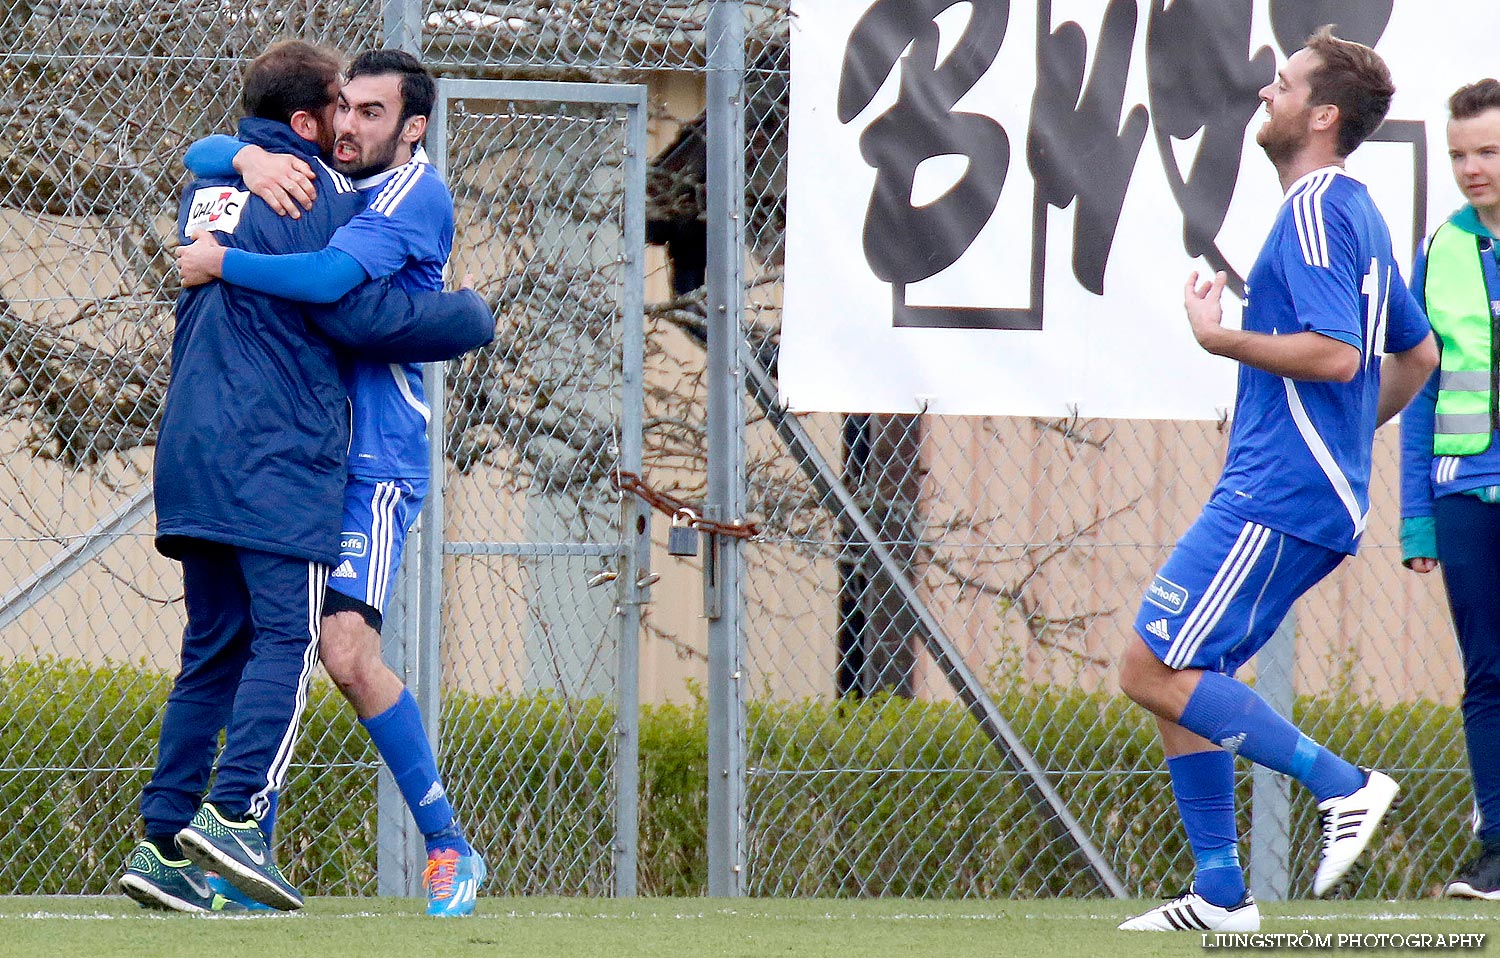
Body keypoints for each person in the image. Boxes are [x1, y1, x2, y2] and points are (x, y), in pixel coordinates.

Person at [118, 40, 492, 915]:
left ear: (414, 126)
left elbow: (339, 295)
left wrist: (221, 255)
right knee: (270, 641)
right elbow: (215, 154)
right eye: (345, 108)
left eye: (371, 112)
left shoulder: (408, 192)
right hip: (301, 451)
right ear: (313, 117)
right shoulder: (317, 181)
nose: (353, 126)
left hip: (375, 461)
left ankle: (447, 846)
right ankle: (230, 855)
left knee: (340, 652)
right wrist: (241, 150)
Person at [1115, 27, 1437, 932]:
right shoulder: (1359, 212)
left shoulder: (1314, 208)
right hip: (1299, 485)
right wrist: (1345, 440)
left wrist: (1221, 340)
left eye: (1285, 83)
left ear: (1322, 115)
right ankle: (1221, 890)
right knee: (1188, 666)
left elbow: (1339, 357)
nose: (1267, 91)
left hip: (1279, 491)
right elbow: (1418, 352)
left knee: (1150, 667)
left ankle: (1347, 785)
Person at [1398, 78, 1500, 902]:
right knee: (1488, 677)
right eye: (1460, 155)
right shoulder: (1441, 249)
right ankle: (1497, 851)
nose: (1472, 169)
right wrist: (1417, 522)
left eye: (1489, 153)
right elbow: (1423, 389)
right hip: (1464, 495)